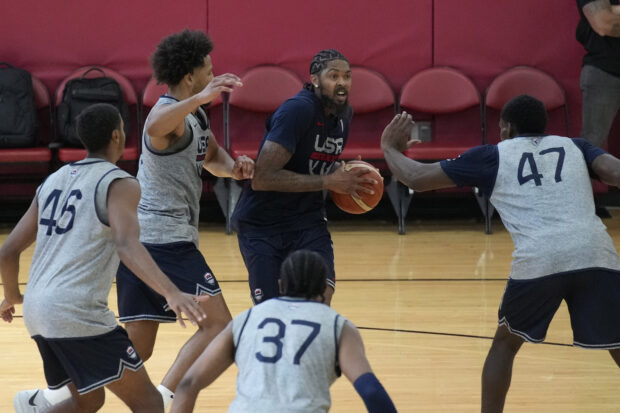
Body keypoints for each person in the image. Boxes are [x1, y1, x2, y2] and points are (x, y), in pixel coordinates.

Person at [381, 94, 620, 413]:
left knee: (505, 345)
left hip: (540, 258)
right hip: (595, 252)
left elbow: (417, 178)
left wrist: (388, 147)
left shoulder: (493, 155)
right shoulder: (575, 146)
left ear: (506, 127)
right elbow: (615, 172)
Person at [0, 103, 207, 413]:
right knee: (150, 403)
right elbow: (127, 245)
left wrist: (12, 295)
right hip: (77, 312)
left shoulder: (53, 180)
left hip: (37, 312)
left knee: (89, 399)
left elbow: (8, 251)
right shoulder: (121, 183)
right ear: (116, 136)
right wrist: (172, 292)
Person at [169, 249, 398, 413]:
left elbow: (188, 385)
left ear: (280, 285)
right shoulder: (338, 325)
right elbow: (371, 391)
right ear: (323, 288)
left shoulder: (247, 319)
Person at [231, 49, 377, 305]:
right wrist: (327, 182)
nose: (342, 82)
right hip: (263, 226)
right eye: (334, 76)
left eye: (347, 76)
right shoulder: (298, 110)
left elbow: (313, 161)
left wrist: (341, 170)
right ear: (316, 79)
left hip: (307, 221)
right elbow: (263, 178)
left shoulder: (344, 115)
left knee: (319, 302)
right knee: (273, 312)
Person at [576, 0, 620, 148]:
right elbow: (603, 23)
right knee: (594, 147)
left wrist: (614, 11)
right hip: (605, 72)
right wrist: (609, 15)